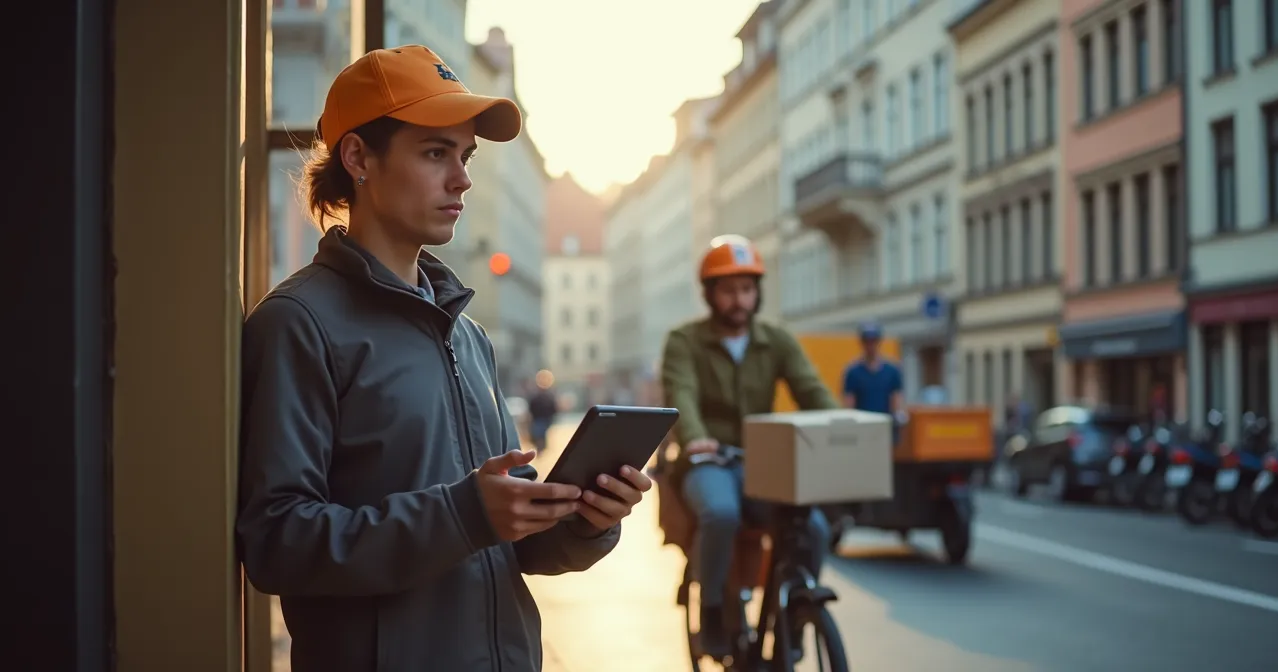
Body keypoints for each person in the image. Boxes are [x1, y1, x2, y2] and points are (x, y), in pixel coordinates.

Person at [235, 45, 649, 671]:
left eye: (465, 156)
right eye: (435, 153)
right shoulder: (299, 324)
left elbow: (510, 544)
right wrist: (462, 512)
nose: (462, 178)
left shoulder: (468, 335)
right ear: (358, 158)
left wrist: (584, 520)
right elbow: (278, 542)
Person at [660, 234, 837, 659]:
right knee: (720, 513)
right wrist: (695, 437)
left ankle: (794, 613)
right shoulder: (685, 341)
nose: (738, 299)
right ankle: (715, 609)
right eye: (728, 290)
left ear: (756, 293)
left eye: (746, 289)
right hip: (707, 461)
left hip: (761, 464)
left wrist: (839, 426)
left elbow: (811, 390)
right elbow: (681, 394)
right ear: (710, 294)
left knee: (812, 527)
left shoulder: (775, 339)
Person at [842, 322, 905, 422]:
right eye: (867, 341)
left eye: (873, 341)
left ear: (879, 341)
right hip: (863, 426)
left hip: (886, 424)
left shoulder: (892, 370)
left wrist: (898, 416)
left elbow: (896, 399)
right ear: (862, 343)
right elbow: (849, 402)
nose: (870, 345)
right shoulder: (853, 372)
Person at [527, 374, 558, 450]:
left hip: (543, 419)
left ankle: (541, 447)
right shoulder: (539, 396)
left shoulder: (548, 397)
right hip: (539, 419)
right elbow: (531, 407)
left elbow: (553, 408)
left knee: (540, 434)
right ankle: (540, 447)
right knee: (539, 434)